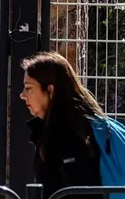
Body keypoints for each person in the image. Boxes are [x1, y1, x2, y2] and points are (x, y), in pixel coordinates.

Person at [20, 51, 103, 199]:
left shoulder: (70, 134)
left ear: (50, 90)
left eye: (28, 88)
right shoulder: (52, 128)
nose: (22, 95)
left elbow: (81, 192)